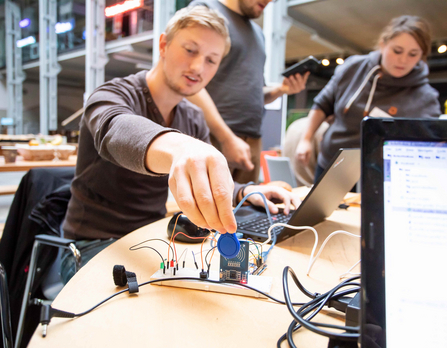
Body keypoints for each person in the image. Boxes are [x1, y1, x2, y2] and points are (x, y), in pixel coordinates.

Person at [61, 6, 300, 282]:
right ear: (163, 45)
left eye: (212, 60)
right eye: (190, 50)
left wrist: (247, 192)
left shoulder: (192, 116)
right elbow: (115, 130)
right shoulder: (112, 95)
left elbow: (204, 178)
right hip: (90, 247)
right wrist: (180, 148)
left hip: (150, 239)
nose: (198, 67)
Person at [295, 15, 441, 182]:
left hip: (384, 174)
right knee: (322, 208)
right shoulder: (353, 67)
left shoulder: (426, 97)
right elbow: (323, 103)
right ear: (383, 44)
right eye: (397, 51)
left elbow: (430, 144)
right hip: (333, 163)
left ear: (421, 55)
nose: (403, 60)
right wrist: (305, 139)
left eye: (413, 54)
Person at [188, 0, 309, 184]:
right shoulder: (206, 10)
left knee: (247, 208)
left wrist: (280, 90)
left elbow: (255, 93)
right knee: (206, 208)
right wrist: (226, 137)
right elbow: (190, 84)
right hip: (212, 137)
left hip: (252, 141)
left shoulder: (258, 34)